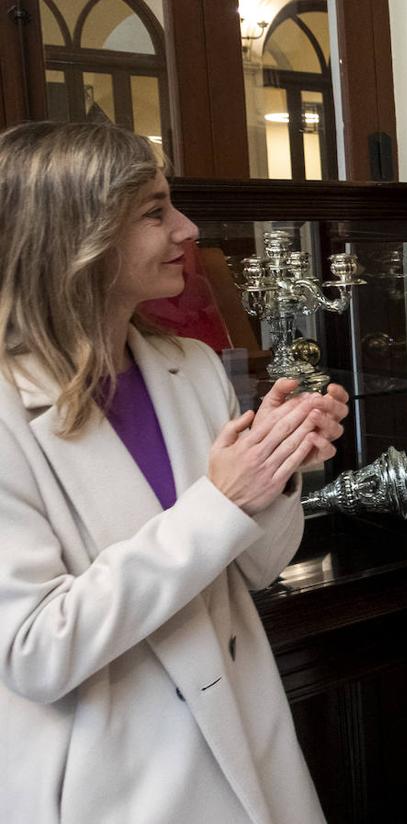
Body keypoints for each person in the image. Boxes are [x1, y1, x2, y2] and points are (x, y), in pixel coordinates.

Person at [0, 121, 348, 823]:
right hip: (119, 779)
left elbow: (257, 569)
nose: (187, 229)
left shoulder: (188, 368)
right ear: (77, 237)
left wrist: (279, 467)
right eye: (155, 212)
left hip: (248, 739)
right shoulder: (8, 411)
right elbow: (35, 651)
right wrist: (221, 500)